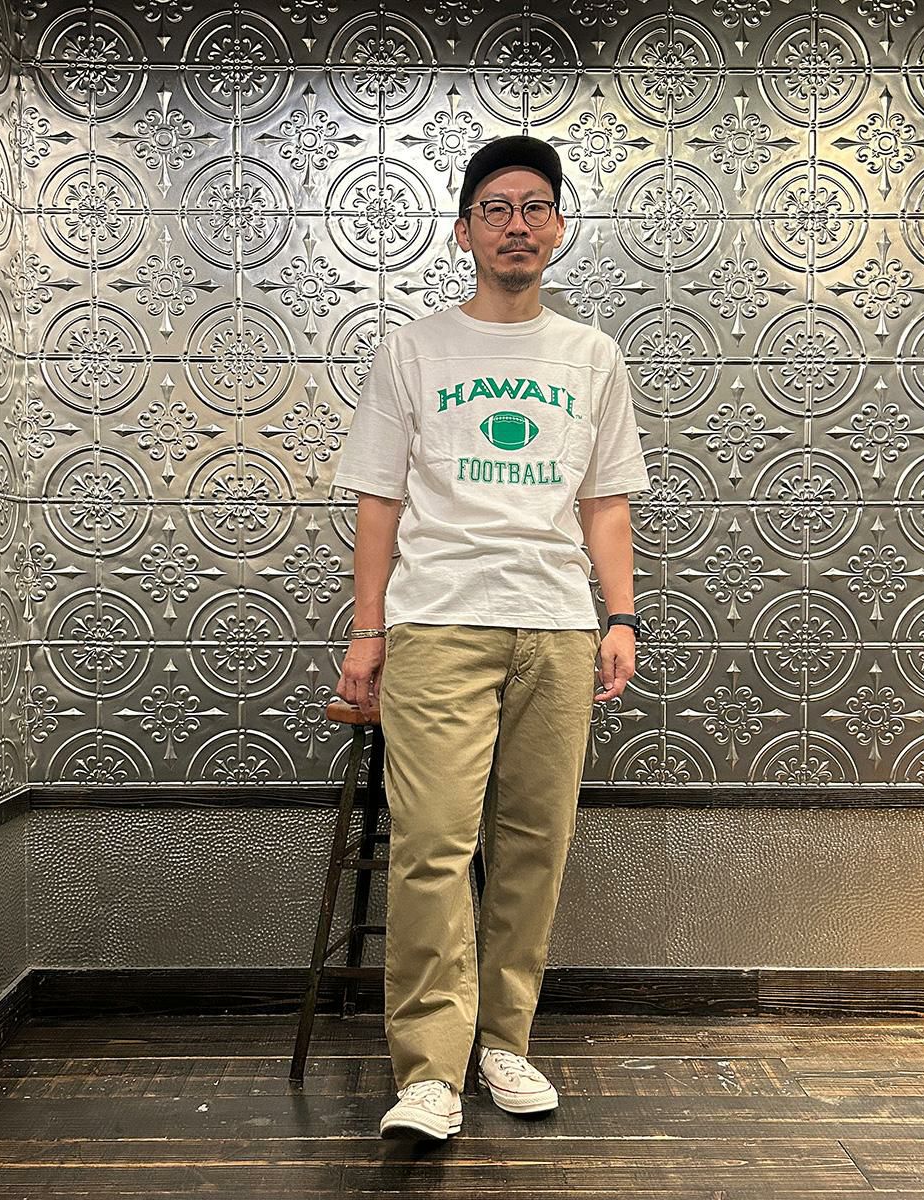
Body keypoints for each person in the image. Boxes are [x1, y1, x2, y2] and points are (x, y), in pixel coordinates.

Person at [331, 135, 649, 1142]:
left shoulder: (591, 356)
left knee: (533, 848)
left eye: (535, 207)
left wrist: (620, 616)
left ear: (559, 228)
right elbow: (377, 501)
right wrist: (369, 632)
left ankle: (505, 1043)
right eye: (497, 209)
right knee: (432, 844)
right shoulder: (414, 350)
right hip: (438, 621)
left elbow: (605, 503)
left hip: (557, 626)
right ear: (464, 231)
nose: (518, 225)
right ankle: (430, 1071)